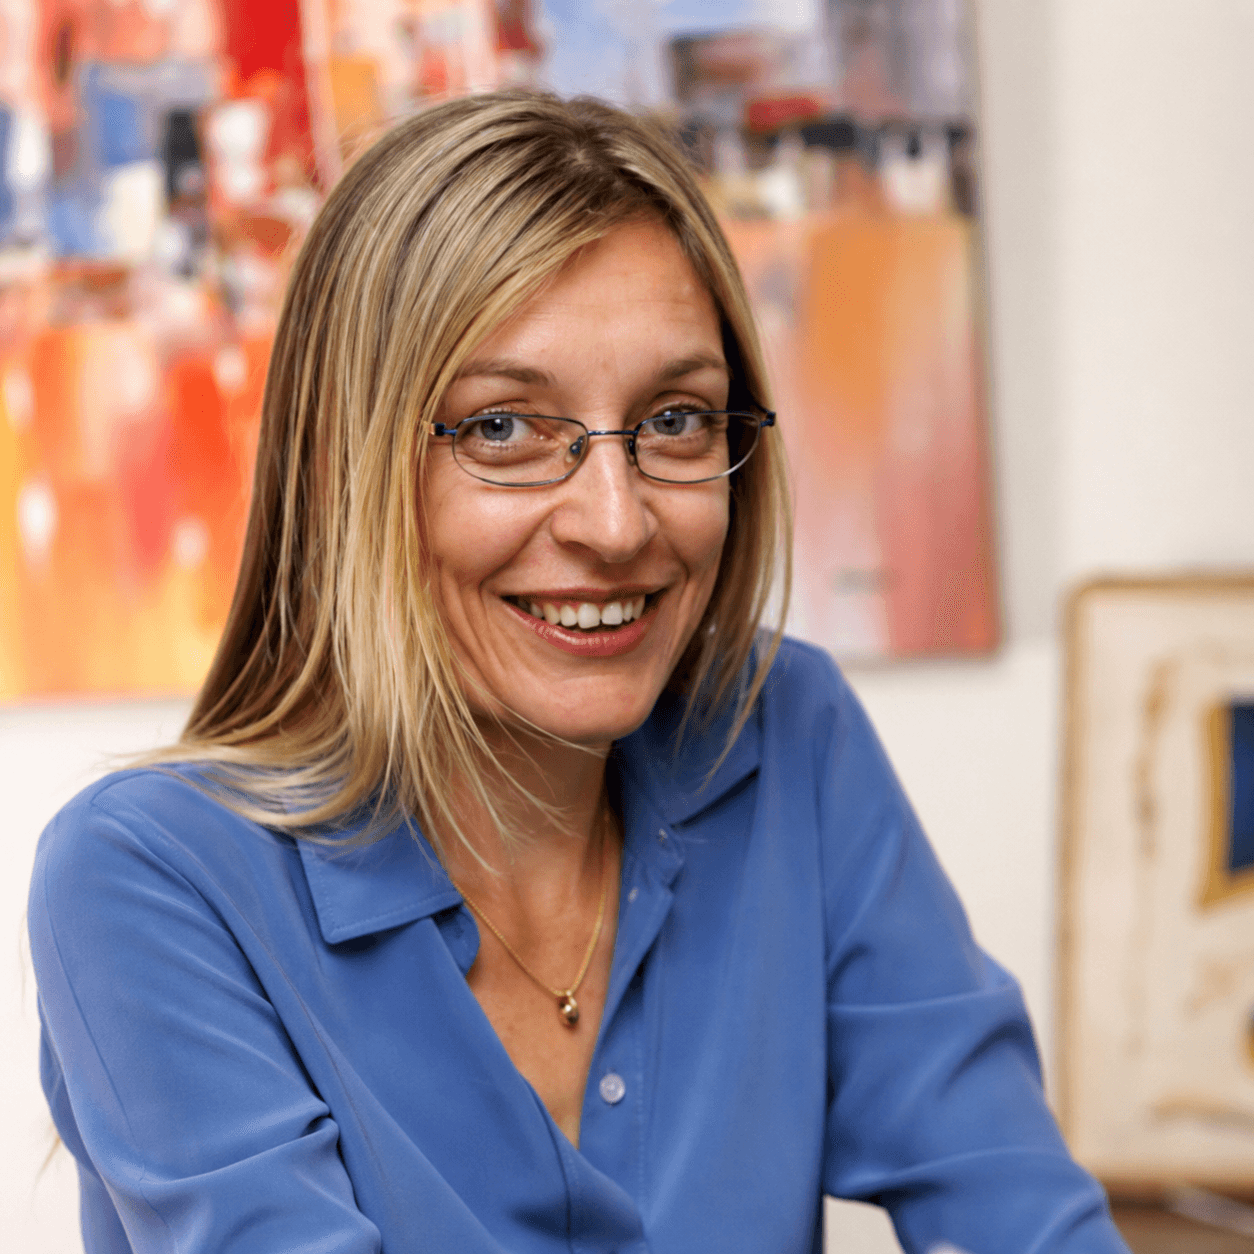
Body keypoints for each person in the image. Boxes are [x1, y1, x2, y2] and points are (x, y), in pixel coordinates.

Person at [28, 91, 1131, 1254]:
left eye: (675, 419)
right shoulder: (148, 879)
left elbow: (1019, 1212)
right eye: (504, 428)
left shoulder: (784, 732)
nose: (616, 522)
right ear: (338, 464)